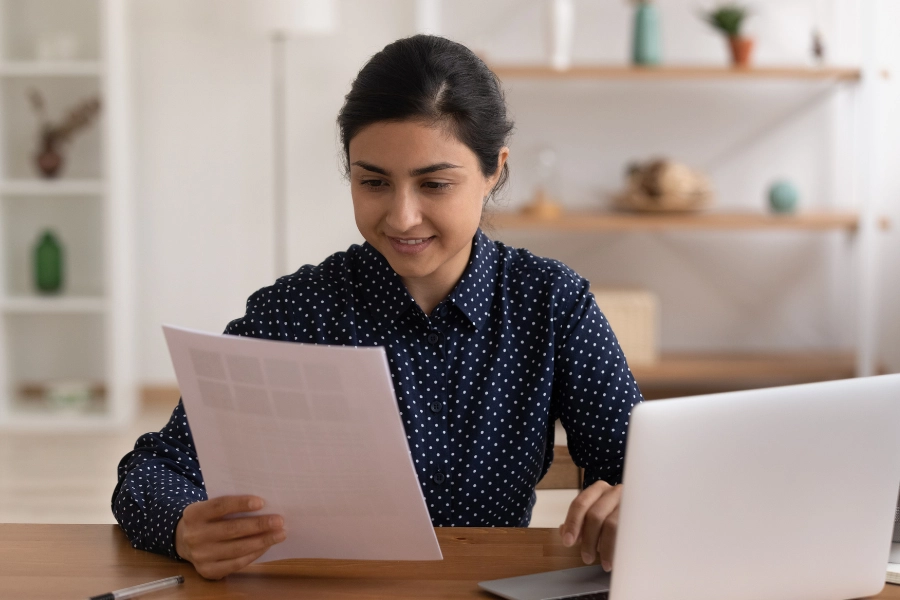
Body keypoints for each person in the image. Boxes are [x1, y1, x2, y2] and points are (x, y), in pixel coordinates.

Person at [112, 34, 643, 580]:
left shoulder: (551, 304)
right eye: (373, 182)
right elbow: (152, 471)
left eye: (434, 183)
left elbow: (643, 472)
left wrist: (635, 501)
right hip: (322, 591)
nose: (402, 217)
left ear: (495, 171)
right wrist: (184, 524)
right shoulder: (294, 312)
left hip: (490, 587)